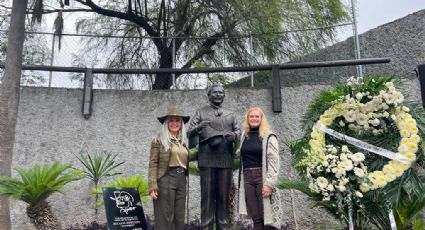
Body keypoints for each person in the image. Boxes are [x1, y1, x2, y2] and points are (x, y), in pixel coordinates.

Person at [187, 84, 241, 230]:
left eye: (221, 92)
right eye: (215, 92)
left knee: (223, 197)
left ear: (224, 95)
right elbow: (189, 132)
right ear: (209, 95)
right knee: (207, 197)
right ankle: (206, 227)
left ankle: (223, 227)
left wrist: (234, 136)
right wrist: (198, 128)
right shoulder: (200, 112)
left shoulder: (231, 114)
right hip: (207, 159)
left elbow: (238, 131)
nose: (218, 94)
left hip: (225, 160)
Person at [148, 107, 196, 230]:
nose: (175, 123)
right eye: (171, 121)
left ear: (181, 124)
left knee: (179, 217)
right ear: (166, 123)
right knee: (164, 216)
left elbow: (187, 157)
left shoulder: (183, 142)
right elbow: (153, 163)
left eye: (177, 121)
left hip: (181, 180)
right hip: (166, 179)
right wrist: (152, 185)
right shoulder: (158, 140)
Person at [237, 106, 282, 230]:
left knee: (266, 217)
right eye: (251, 116)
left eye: (257, 116)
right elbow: (241, 154)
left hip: (262, 177)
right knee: (255, 217)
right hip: (247, 179)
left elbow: (274, 161)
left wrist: (269, 183)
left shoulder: (268, 136)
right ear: (247, 118)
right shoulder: (243, 136)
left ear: (262, 119)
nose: (254, 119)